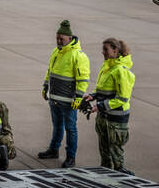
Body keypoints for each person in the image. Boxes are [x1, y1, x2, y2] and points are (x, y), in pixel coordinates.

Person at [39, 20, 90, 168]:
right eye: (57, 38)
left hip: (69, 101)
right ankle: (54, 150)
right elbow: (50, 71)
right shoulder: (56, 52)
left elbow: (83, 79)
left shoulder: (78, 55)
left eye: (62, 38)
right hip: (54, 98)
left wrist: (79, 97)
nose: (59, 41)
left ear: (70, 38)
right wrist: (45, 86)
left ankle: (71, 157)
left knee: (70, 128)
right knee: (57, 126)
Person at [83, 38, 135, 173]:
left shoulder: (121, 71)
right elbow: (104, 90)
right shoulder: (107, 66)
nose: (103, 52)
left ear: (115, 50)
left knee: (116, 153)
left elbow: (122, 98)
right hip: (104, 117)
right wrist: (93, 96)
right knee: (104, 151)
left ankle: (121, 178)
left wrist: (100, 106)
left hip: (115, 120)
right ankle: (105, 176)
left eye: (106, 49)